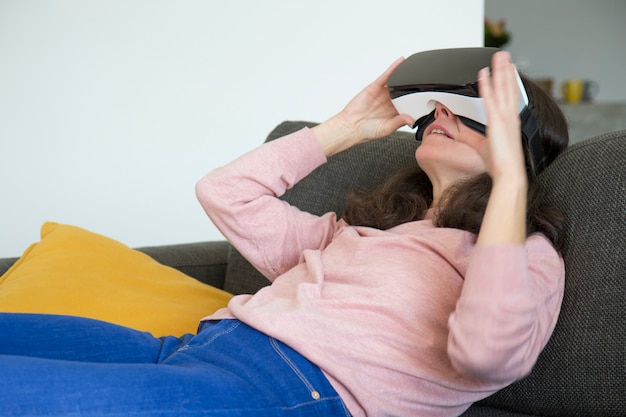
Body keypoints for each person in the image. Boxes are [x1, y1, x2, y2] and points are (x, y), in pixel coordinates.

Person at [0, 50, 568, 417]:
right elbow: (224, 194)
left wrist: (511, 180)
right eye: (434, 110)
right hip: (193, 350)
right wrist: (345, 128)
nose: (438, 113)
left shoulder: (526, 257)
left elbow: (487, 357)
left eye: (468, 111)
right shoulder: (356, 235)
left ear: (514, 141)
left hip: (291, 390)